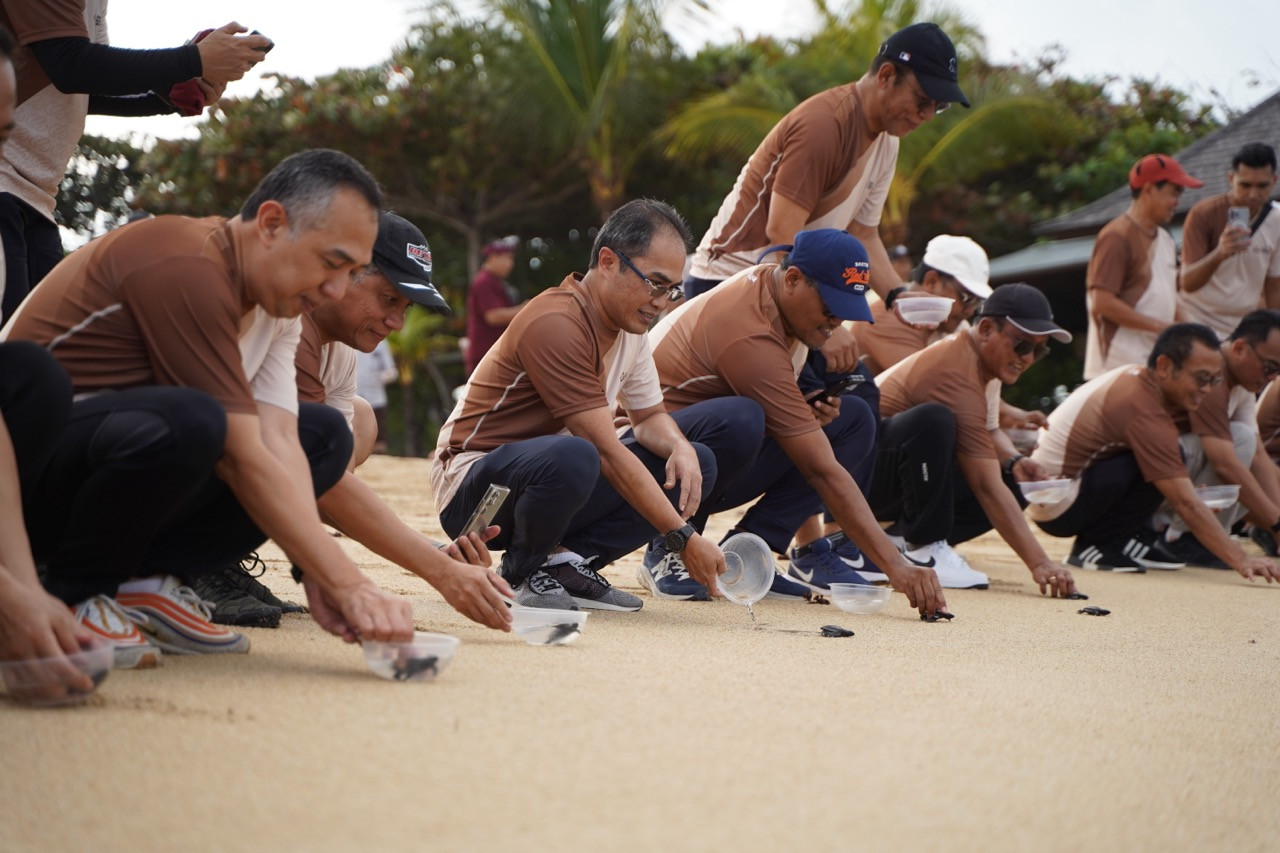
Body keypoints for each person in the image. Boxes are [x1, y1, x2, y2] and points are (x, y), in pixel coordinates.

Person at [1, 148, 416, 667]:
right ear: (270, 223)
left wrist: (318, 572)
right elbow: (241, 455)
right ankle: (74, 592)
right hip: (23, 487)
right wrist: (347, 581)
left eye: (351, 272)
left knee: (322, 438)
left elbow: (281, 444)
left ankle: (147, 584)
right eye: (331, 263)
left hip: (102, 472)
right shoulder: (186, 260)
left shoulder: (278, 311)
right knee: (198, 422)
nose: (334, 289)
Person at [431, 199, 766, 612]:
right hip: (473, 495)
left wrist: (678, 446)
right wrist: (684, 539)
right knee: (578, 453)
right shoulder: (557, 322)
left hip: (554, 482)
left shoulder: (631, 328)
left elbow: (648, 419)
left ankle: (564, 564)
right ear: (608, 260)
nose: (661, 301)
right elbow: (606, 450)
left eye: (671, 290)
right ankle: (520, 574)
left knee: (695, 460)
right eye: (654, 284)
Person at [195, 212, 514, 631]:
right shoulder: (286, 319)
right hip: (145, 472)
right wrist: (435, 571)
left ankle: (220, 558)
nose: (397, 322)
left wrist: (431, 553)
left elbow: (321, 480)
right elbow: (308, 476)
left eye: (405, 306)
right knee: (318, 434)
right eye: (389, 298)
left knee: (354, 423)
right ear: (343, 272)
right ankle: (195, 565)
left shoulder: (338, 351)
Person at [644, 228, 947, 616]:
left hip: (696, 454)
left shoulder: (781, 293)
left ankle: (750, 553)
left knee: (851, 418)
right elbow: (821, 469)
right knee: (743, 420)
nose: (836, 321)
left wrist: (804, 405)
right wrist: (897, 565)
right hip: (644, 461)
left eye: (844, 310)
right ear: (792, 280)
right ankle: (669, 545)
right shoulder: (749, 330)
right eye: (830, 308)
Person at [0, 4, 269, 320]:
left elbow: (86, 86)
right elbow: (70, 64)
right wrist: (193, 60)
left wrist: (170, 93)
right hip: (6, 182)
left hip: (38, 200)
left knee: (34, 351)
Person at [1030, 323, 1280, 582]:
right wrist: (1241, 559)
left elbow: (1255, 458)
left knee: (1168, 455)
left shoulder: (1144, 382)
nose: (1207, 390)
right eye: (1201, 379)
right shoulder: (1143, 407)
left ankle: (1134, 540)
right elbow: (1185, 501)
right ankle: (1097, 546)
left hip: (1061, 492)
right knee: (1165, 457)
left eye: (1214, 381)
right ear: (1164, 366)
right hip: (1056, 506)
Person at [874, 284, 1079, 595]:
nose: (1027, 359)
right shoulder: (957, 372)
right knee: (936, 422)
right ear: (985, 329)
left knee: (1013, 479)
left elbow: (990, 429)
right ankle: (924, 547)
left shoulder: (983, 364)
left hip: (889, 470)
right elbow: (985, 485)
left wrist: (1015, 460)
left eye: (1040, 350)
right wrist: (1040, 564)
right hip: (860, 473)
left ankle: (898, 539)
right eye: (1023, 345)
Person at [1152, 310, 1280, 568]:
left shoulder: (1243, 384)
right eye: (1270, 367)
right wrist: (1277, 525)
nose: (1273, 378)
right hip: (1143, 478)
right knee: (1239, 442)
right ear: (1240, 348)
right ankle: (1182, 538)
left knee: (1249, 452)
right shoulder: (1213, 372)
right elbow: (1224, 462)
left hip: (1169, 477)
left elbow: (1258, 458)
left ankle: (1195, 537)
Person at [1083, 153, 1203, 380]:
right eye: (1174, 192)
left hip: (1154, 363)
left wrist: (1194, 335)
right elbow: (1102, 302)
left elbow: (1170, 297)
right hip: (1117, 368)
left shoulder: (1166, 239)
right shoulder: (1116, 236)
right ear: (1148, 190)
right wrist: (1160, 328)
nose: (1178, 201)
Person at [1178, 143, 1280, 340]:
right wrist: (1220, 253)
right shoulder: (1203, 213)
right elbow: (1187, 282)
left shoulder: (1276, 220)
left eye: (1262, 186)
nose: (1253, 194)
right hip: (1196, 320)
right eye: (1245, 185)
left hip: (1244, 327)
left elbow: (1274, 287)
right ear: (1231, 179)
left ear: (1274, 181)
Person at [855, 233, 991, 375]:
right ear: (931, 281)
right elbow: (935, 389)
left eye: (977, 302)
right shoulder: (889, 315)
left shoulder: (954, 327)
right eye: (967, 298)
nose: (969, 311)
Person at [464, 236, 523, 375]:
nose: (511, 264)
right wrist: (526, 309)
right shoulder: (484, 281)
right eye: (507, 258)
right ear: (493, 257)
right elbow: (493, 316)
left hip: (493, 356)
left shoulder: (494, 282)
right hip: (485, 357)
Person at [356, 340, 396, 453]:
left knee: (378, 437)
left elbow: (391, 371)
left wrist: (377, 378)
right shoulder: (347, 340)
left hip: (376, 398)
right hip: (354, 396)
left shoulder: (381, 343)